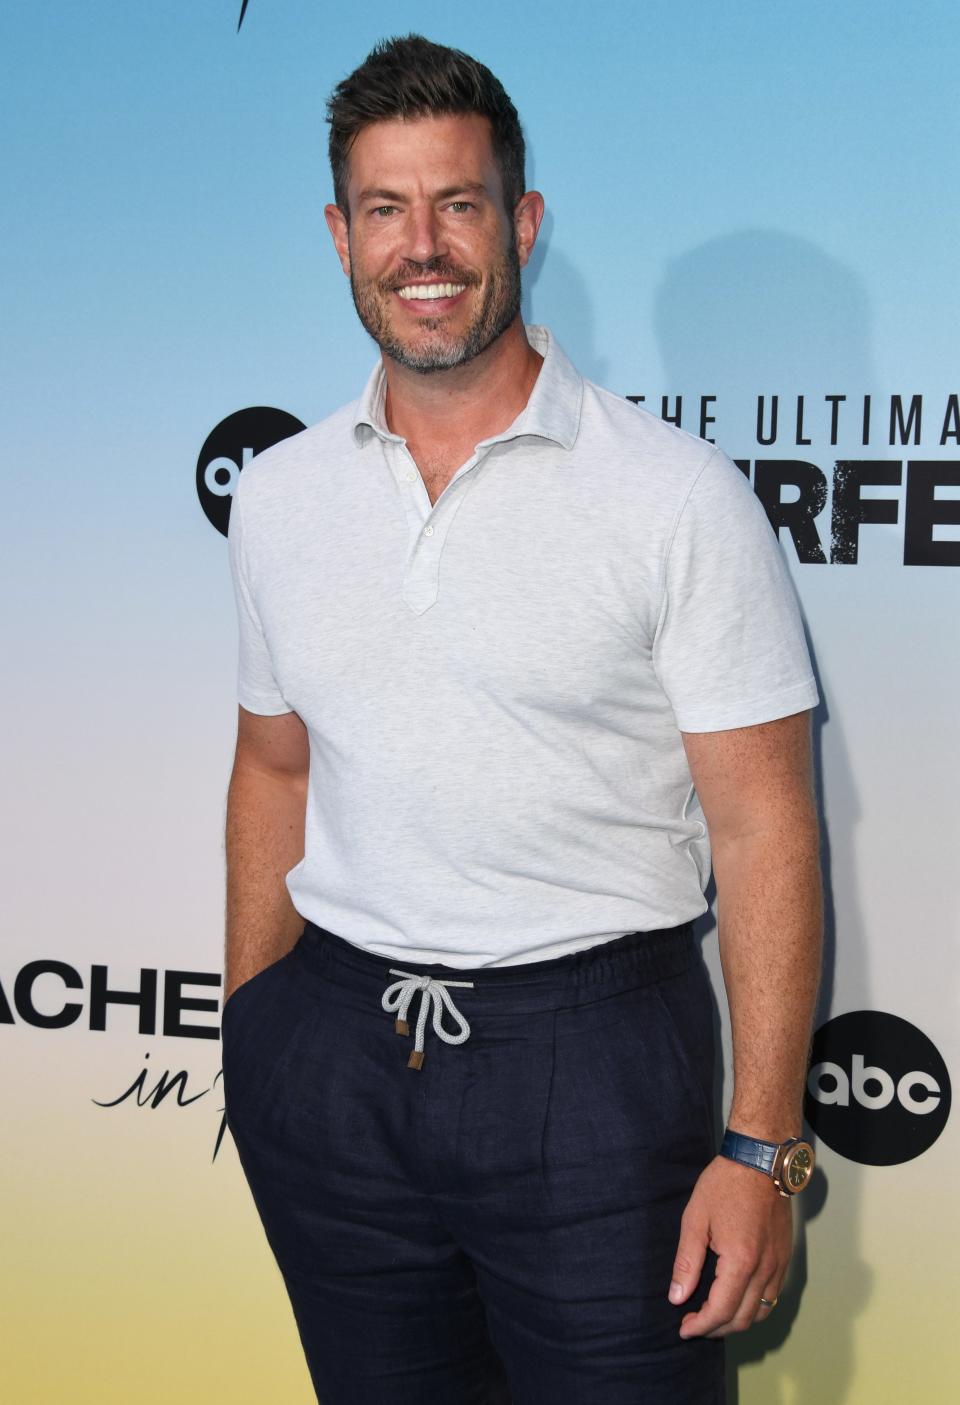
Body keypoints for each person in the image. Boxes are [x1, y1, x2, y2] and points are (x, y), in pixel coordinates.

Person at [222, 33, 823, 1405]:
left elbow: (767, 825)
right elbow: (273, 762)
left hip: (593, 1066)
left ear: (523, 222)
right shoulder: (282, 496)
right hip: (332, 1062)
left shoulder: (672, 495)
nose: (420, 246)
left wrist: (760, 1146)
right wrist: (257, 1030)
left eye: (458, 203)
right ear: (339, 235)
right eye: (386, 209)